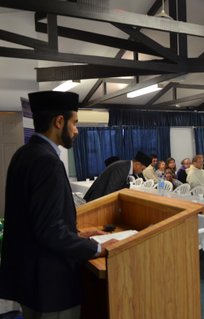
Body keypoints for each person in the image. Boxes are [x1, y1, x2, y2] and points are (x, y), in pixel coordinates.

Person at [0, 91, 116, 319]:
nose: (76, 130)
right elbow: (50, 231)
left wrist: (77, 234)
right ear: (59, 121)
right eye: (74, 123)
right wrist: (98, 248)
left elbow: (32, 219)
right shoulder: (47, 162)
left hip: (29, 280)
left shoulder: (23, 154)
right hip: (50, 285)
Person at [84, 151, 150, 202]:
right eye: (142, 169)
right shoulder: (122, 168)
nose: (141, 172)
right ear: (138, 164)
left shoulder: (128, 167)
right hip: (97, 200)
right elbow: (110, 191)